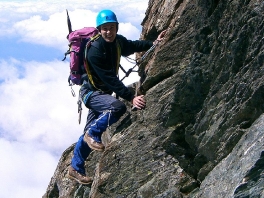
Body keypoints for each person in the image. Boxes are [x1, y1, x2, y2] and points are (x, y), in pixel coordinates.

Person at [68, 9, 166, 184]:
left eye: (112, 28)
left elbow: (133, 45)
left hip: (101, 93)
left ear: (116, 28)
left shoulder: (118, 42)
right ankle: (92, 134)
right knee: (117, 107)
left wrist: (154, 43)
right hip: (91, 93)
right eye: (105, 28)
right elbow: (110, 79)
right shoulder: (95, 50)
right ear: (99, 30)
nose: (108, 32)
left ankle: (75, 167)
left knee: (88, 132)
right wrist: (131, 98)